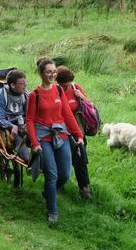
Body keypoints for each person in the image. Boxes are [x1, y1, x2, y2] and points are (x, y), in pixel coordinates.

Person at [26, 58, 84, 223]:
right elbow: (29, 121)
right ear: (41, 73)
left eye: (54, 72)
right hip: (44, 137)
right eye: (48, 72)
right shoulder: (34, 95)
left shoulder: (59, 90)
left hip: (61, 135)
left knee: (65, 174)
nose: (52, 75)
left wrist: (78, 134)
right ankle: (52, 211)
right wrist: (35, 143)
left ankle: (48, 192)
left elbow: (66, 113)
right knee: (51, 175)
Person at [56, 66, 92, 200]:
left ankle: (84, 189)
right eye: (64, 86)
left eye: (68, 86)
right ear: (57, 83)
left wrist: (81, 97)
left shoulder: (76, 88)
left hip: (78, 131)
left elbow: (90, 106)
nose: (67, 88)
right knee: (61, 160)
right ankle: (58, 185)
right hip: (60, 132)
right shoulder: (54, 91)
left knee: (81, 159)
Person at [0, 69, 30, 163]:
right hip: (9, 127)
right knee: (26, 156)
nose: (25, 85)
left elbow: (31, 113)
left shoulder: (26, 94)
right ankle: (28, 160)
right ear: (13, 85)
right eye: (22, 83)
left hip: (23, 125)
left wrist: (28, 124)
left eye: (26, 82)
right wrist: (11, 126)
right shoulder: (1, 94)